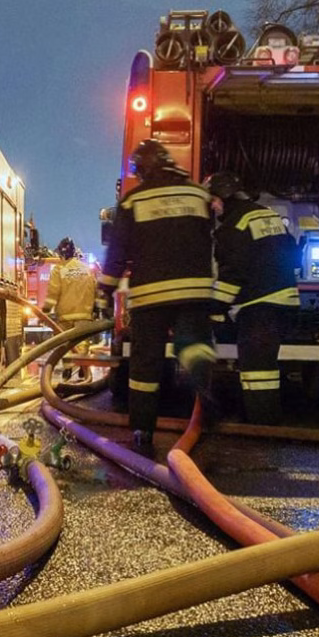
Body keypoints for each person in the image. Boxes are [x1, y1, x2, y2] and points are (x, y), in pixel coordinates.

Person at [97, 140, 217, 454]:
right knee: (194, 344)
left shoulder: (133, 201)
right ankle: (200, 378)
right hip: (195, 290)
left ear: (143, 169)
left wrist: (104, 292)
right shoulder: (198, 194)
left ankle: (142, 430)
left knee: (145, 365)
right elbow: (211, 238)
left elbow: (117, 253)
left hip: (151, 295)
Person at [207, 170, 300, 425]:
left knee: (258, 374)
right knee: (264, 368)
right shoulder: (268, 215)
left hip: (259, 308)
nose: (213, 207)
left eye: (214, 200)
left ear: (224, 197)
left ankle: (262, 428)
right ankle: (263, 423)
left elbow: (231, 276)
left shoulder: (232, 227)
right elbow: (293, 252)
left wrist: (215, 310)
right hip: (285, 303)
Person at [44, 237, 96, 382]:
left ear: (61, 253)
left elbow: (53, 292)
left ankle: (67, 369)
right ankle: (83, 368)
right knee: (82, 342)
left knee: (65, 343)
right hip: (84, 314)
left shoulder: (59, 269)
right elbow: (95, 288)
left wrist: (46, 310)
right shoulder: (86, 269)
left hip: (65, 316)